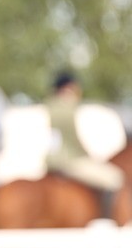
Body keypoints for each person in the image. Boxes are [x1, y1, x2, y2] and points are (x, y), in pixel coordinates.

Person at [45, 71, 125, 215]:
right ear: (69, 87)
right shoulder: (71, 107)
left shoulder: (50, 107)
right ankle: (107, 217)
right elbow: (76, 138)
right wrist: (88, 155)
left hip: (51, 161)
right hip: (71, 160)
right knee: (115, 179)